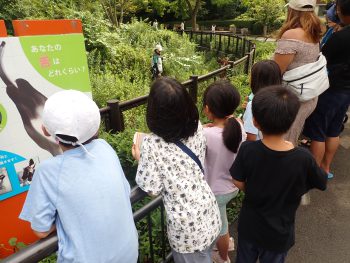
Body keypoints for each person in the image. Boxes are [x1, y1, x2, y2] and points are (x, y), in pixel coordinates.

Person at [19, 90, 138, 263]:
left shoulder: (48, 171)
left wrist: (69, 218)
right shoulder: (104, 148)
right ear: (96, 127)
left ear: (45, 130)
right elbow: (124, 191)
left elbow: (40, 230)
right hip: (128, 254)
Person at [230, 86, 327, 263]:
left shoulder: (248, 149)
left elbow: (236, 179)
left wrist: (252, 190)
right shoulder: (303, 158)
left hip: (250, 227)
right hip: (279, 233)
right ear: (291, 122)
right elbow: (321, 182)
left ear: (256, 121)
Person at [132, 77, 221, 263]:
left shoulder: (152, 144)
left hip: (187, 233)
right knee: (205, 256)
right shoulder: (196, 127)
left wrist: (140, 157)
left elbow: (151, 188)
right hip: (210, 214)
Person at [303, 0, 350, 179]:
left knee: (319, 132)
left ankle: (314, 173)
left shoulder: (341, 37)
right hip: (347, 92)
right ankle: (326, 168)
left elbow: (321, 57)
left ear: (342, 12)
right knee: (334, 129)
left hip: (330, 89)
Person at [202, 80, 246, 263]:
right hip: (231, 186)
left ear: (207, 109)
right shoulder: (238, 125)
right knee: (221, 219)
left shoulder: (206, 135)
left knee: (221, 227)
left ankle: (223, 256)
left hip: (215, 191)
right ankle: (223, 244)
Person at [274, 0, 323, 146]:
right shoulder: (315, 30)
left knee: (282, 141)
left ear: (291, 10)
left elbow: (275, 71)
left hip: (291, 98)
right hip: (309, 95)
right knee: (292, 137)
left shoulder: (291, 34)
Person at [243, 60, 282, 141]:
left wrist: (239, 123)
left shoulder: (254, 105)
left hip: (255, 150)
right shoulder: (280, 101)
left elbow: (250, 137)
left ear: (256, 81)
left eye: (251, 75)